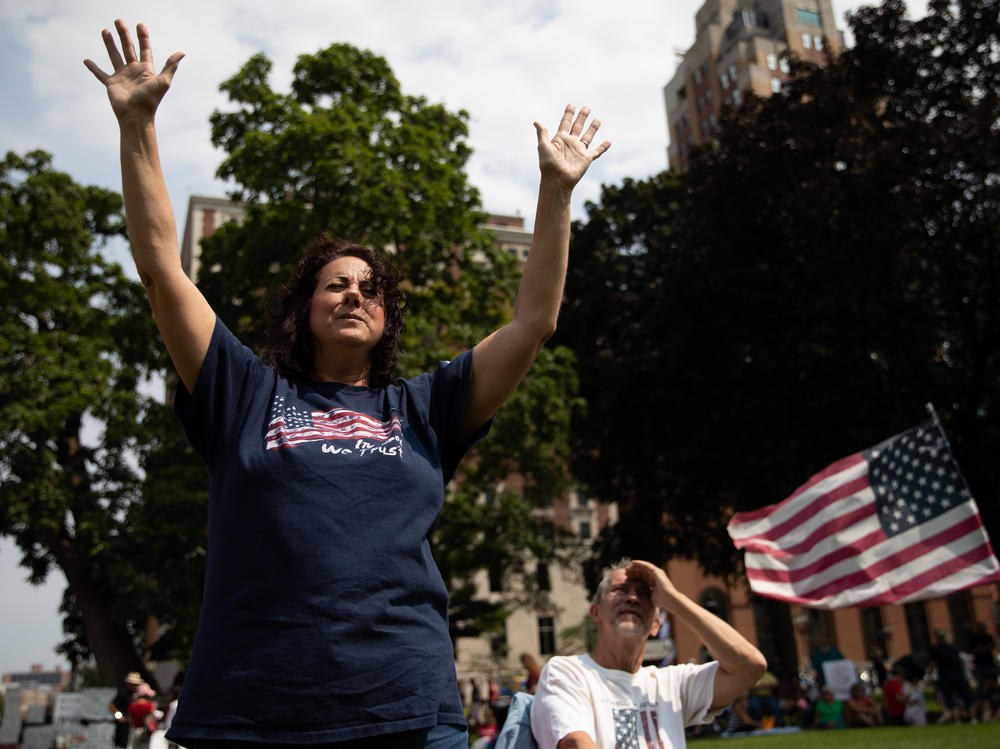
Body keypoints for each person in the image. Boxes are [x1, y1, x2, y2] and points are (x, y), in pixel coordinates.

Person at [85, 19, 610, 749]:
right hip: (252, 712)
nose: (355, 295)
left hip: (407, 708)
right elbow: (162, 271)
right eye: (336, 285)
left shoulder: (426, 408)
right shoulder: (243, 392)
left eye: (370, 287)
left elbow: (533, 323)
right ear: (306, 309)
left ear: (387, 316)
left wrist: (556, 192)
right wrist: (137, 124)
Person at [530, 559, 767, 749]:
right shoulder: (568, 672)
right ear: (595, 612)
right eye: (620, 590)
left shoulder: (671, 685)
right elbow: (575, 744)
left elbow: (750, 666)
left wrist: (674, 599)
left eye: (644, 594)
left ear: (655, 625)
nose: (632, 598)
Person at [929, 628, 973, 723]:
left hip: (945, 676)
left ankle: (957, 720)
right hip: (958, 675)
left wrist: (931, 675)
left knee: (950, 699)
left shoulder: (937, 649)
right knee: (966, 696)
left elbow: (933, 664)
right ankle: (973, 718)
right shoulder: (954, 647)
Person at [970, 622, 998, 721]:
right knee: (981, 687)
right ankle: (983, 703)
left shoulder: (988, 637)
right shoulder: (974, 638)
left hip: (989, 664)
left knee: (993, 685)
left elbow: (991, 647)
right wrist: (985, 649)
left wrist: (983, 649)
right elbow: (975, 650)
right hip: (980, 665)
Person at [109, 672, 143, 749]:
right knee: (121, 742)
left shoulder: (137, 694)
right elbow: (112, 705)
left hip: (133, 723)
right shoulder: (123, 692)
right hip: (123, 722)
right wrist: (119, 716)